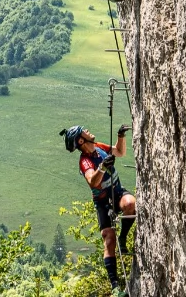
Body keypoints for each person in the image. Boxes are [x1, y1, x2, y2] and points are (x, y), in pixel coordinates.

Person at [59, 124, 137, 297]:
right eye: (84, 131)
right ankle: (115, 287)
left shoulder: (99, 146)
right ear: (81, 140)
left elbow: (119, 152)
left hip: (117, 193)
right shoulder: (85, 161)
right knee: (108, 239)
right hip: (103, 202)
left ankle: (123, 238)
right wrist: (102, 167)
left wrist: (120, 136)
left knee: (130, 204)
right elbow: (92, 181)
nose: (88, 131)